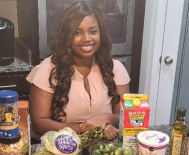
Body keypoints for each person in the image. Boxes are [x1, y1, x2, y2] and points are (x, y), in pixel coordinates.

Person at [27, 1, 130, 140]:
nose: (87, 39)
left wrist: (105, 118)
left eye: (93, 31)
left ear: (101, 34)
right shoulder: (48, 69)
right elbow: (39, 124)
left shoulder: (116, 69)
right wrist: (91, 129)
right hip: (62, 149)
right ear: (67, 36)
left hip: (105, 152)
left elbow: (125, 116)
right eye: (77, 32)